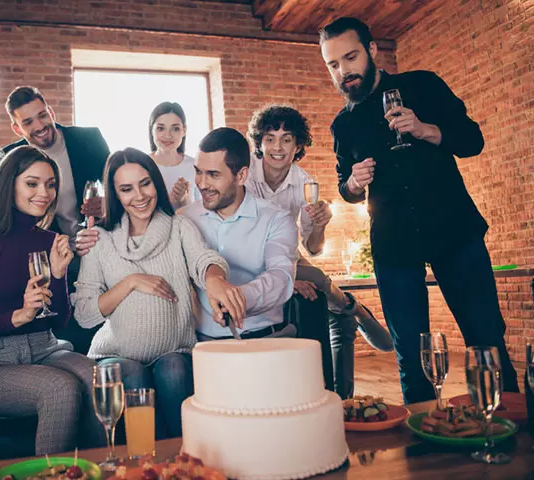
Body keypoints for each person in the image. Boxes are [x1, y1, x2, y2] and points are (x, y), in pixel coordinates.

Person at [320, 17, 518, 403]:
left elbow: (472, 139)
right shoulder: (342, 125)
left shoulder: (422, 85)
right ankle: (424, 447)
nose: (344, 71)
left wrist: (427, 129)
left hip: (454, 232)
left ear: (372, 51)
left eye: (350, 57)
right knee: (409, 354)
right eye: (333, 65)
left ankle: (513, 436)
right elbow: (345, 187)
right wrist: (354, 183)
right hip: (394, 245)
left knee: (486, 340)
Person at [71, 148, 243, 438]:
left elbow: (204, 259)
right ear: (115, 195)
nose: (139, 196)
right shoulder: (99, 240)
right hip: (114, 354)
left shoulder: (179, 227)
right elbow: (85, 314)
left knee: (173, 369)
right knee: (134, 374)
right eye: (126, 189)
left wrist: (215, 279)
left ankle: (184, 459)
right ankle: (143, 464)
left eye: (145, 183)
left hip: (173, 349)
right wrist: (131, 282)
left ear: (156, 183)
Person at [0, 145, 105, 454]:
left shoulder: (52, 240)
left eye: (51, 184)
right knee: (59, 389)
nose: (44, 192)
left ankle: (102, 472)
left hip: (46, 348)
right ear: (9, 183)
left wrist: (60, 274)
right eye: (32, 183)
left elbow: (61, 320)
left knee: (97, 378)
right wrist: (19, 315)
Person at [246, 104, 393, 399]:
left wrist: (320, 226)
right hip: (254, 260)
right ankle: (352, 308)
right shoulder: (245, 175)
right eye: (270, 139)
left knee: (314, 280)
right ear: (259, 143)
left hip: (290, 259)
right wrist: (285, 279)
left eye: (287, 139)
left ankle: (334, 400)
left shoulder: (304, 182)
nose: (278, 147)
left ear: (298, 145)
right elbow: (243, 239)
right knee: (315, 279)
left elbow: (312, 249)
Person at [2, 86, 111, 353]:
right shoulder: (12, 157)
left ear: (50, 111)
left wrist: (104, 213)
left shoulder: (89, 139)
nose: (39, 125)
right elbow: (11, 215)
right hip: (51, 255)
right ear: (17, 128)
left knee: (101, 322)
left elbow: (118, 187)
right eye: (28, 122)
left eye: (42, 115)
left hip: (98, 244)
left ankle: (104, 359)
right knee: (67, 328)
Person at [180, 127, 299, 341]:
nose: (202, 184)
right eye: (199, 171)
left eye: (213, 175)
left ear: (242, 175)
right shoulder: (184, 218)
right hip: (202, 344)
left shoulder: (276, 219)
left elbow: (281, 277)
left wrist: (235, 298)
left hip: (265, 339)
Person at [148, 101, 200, 209]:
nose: (168, 135)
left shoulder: (195, 166)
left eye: (175, 129)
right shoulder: (141, 166)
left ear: (184, 131)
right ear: (151, 130)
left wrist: (184, 201)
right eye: (161, 128)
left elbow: (202, 211)